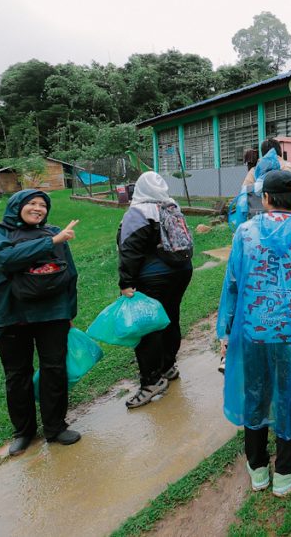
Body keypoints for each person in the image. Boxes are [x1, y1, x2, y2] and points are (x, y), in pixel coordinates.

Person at [217, 170, 291, 497]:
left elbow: (233, 283)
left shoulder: (244, 232)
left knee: (255, 391)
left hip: (252, 331)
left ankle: (257, 469)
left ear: (265, 199)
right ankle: (285, 470)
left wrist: (225, 329)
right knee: (290, 394)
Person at [0, 189, 82, 455]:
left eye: (43, 205)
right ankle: (23, 431)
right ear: (16, 206)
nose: (38, 208)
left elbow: (70, 273)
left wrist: (69, 313)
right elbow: (5, 258)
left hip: (52, 314)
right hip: (10, 316)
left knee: (54, 369)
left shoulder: (54, 232)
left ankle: (55, 427)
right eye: (31, 203)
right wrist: (52, 241)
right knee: (16, 375)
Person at [117, 171, 194, 408]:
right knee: (170, 317)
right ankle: (168, 366)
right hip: (181, 272)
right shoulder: (172, 207)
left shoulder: (138, 212)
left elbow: (129, 249)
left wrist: (126, 282)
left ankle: (151, 382)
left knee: (148, 327)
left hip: (154, 277)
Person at [241, 139, 291, 219]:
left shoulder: (254, 172)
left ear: (263, 154)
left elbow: (242, 202)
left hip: (264, 225)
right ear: (281, 153)